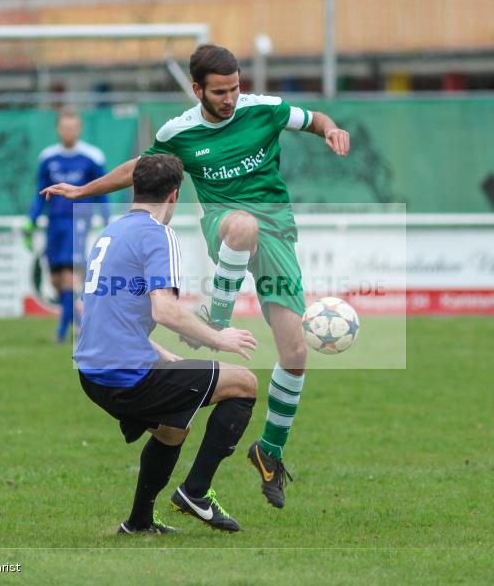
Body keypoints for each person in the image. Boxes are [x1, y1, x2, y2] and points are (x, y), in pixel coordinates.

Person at [41, 44, 351, 509]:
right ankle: (216, 319)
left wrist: (333, 129)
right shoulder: (179, 131)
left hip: (279, 232)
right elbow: (140, 169)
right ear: (198, 90)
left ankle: (269, 453)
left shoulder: (263, 110)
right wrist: (85, 190)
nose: (230, 99)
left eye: (235, 88)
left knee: (296, 352)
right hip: (225, 224)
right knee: (242, 224)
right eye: (220, 92)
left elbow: (315, 118)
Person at [76, 154, 259, 534]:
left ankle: (139, 523)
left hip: (92, 371)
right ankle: (196, 492)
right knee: (244, 383)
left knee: (174, 427)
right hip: (127, 374)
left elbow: (107, 309)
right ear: (174, 195)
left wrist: (161, 353)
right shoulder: (158, 234)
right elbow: (165, 309)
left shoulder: (110, 234)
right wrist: (219, 338)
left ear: (133, 188)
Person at [24, 109, 109, 343]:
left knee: (70, 274)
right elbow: (40, 194)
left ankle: (63, 332)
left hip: (78, 218)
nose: (68, 131)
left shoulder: (92, 157)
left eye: (72, 127)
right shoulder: (48, 158)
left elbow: (102, 191)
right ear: (58, 129)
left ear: (79, 129)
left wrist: (106, 220)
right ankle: (79, 324)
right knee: (55, 278)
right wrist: (31, 219)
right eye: (65, 127)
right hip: (55, 221)